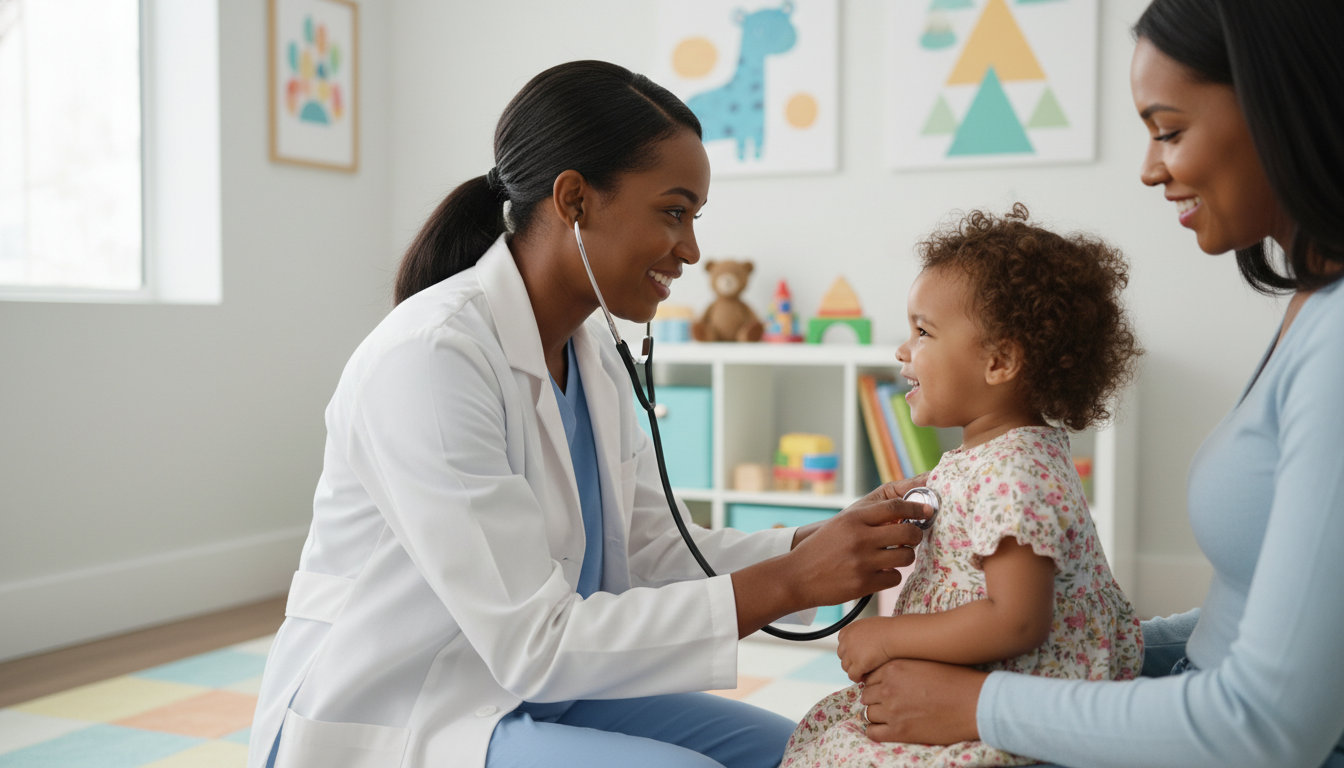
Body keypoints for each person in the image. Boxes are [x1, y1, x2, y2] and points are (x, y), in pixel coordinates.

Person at [246, 60, 933, 768]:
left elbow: (653, 553)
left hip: (543, 690)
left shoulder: (592, 352)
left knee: (804, 752)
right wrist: (790, 581)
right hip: (406, 707)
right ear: (574, 200)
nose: (692, 250)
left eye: (695, 218)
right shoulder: (431, 360)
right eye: (673, 211)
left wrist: (821, 545)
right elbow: (531, 642)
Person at [855, 1, 1344, 766]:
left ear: (1282, 101)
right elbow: (1247, 617)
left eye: (1170, 129)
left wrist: (981, 702)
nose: (1150, 167)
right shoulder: (1312, 310)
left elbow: (1270, 728)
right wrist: (1095, 658)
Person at [781, 207, 1145, 768]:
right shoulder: (994, 457)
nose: (903, 350)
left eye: (922, 332)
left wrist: (890, 638)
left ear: (999, 361)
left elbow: (1016, 618)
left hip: (1009, 701)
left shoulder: (1014, 472)